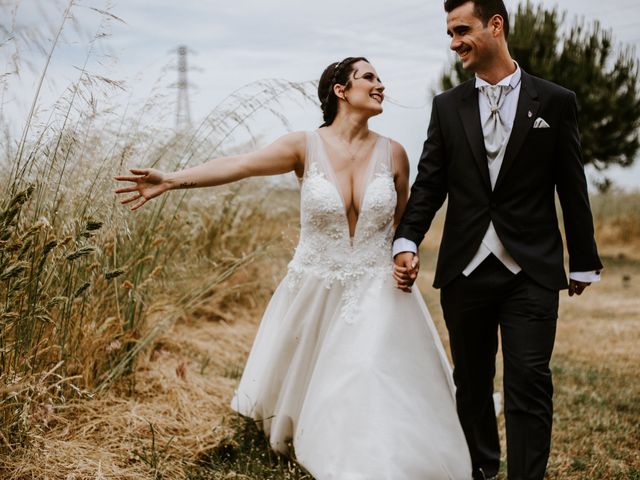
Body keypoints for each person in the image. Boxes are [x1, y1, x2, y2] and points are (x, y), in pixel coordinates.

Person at [115, 57, 473, 479]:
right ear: (341, 90)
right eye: (369, 78)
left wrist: (405, 258)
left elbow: (403, 226)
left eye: (380, 79)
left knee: (367, 370)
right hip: (315, 285)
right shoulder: (303, 146)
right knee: (317, 381)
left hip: (377, 290)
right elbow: (239, 165)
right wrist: (173, 179)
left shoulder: (395, 153)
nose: (381, 85)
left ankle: (372, 456)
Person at [393, 1, 603, 480]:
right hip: (466, 267)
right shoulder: (447, 106)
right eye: (448, 33)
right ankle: (482, 470)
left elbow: (572, 184)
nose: (453, 43)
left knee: (529, 380)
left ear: (494, 25)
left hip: (530, 268)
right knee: (471, 383)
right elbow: (429, 185)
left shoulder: (554, 101)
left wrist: (584, 259)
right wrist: (406, 240)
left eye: (461, 30)